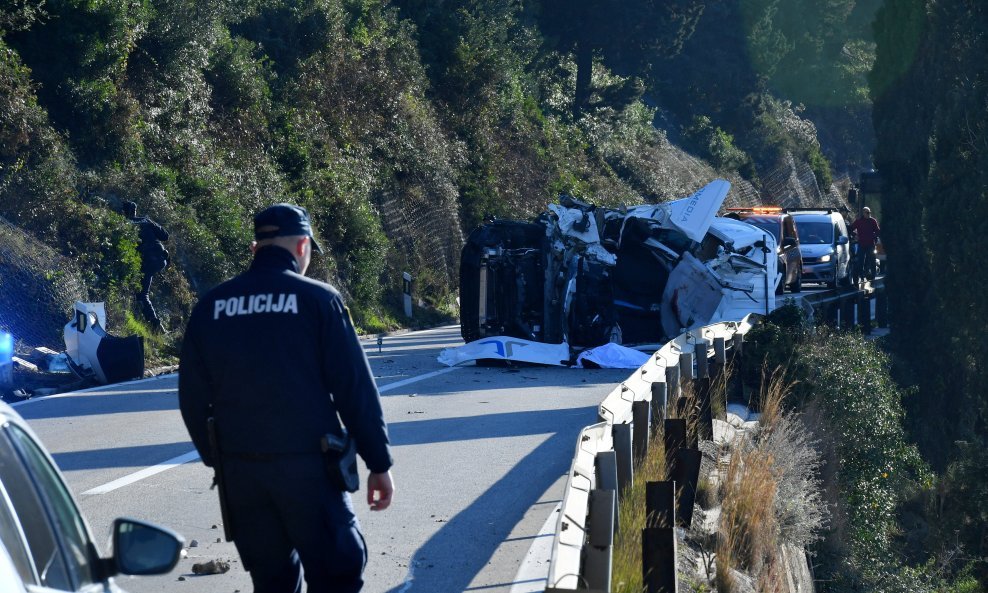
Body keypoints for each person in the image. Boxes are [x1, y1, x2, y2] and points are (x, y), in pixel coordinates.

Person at [178, 203, 394, 593]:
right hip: (308, 472)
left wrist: (221, 460)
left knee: (273, 583)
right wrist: (379, 463)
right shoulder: (318, 300)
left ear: (255, 248)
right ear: (302, 247)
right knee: (339, 573)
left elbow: (192, 399)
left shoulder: (211, 307)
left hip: (242, 477)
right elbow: (353, 389)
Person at [122, 201, 170, 331]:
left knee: (142, 295)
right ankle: (155, 325)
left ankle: (156, 327)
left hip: (147, 260)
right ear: (135, 211)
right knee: (143, 291)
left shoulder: (124, 225)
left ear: (123, 212)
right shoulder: (145, 220)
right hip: (161, 258)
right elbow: (165, 236)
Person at [850, 206, 881, 281]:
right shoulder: (859, 221)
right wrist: (855, 235)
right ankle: (861, 275)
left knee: (872, 260)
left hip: (871, 244)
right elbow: (851, 229)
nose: (869, 214)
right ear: (863, 213)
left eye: (869, 212)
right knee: (860, 261)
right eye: (867, 212)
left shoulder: (873, 221)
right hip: (861, 244)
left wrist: (874, 236)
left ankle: (873, 276)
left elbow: (877, 231)